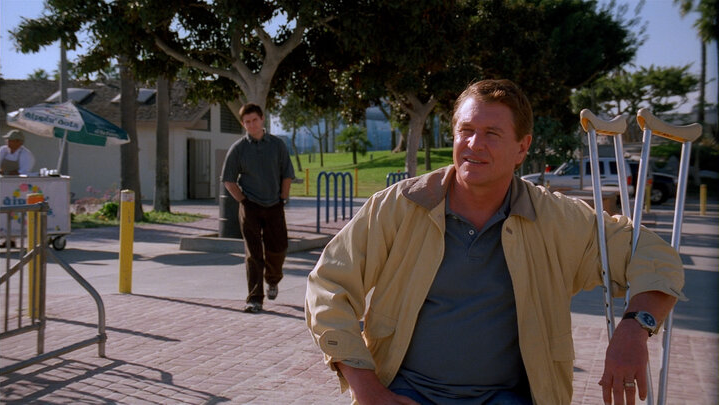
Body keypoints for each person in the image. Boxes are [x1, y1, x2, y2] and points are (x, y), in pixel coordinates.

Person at [305, 79, 684, 405]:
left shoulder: (557, 219)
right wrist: (368, 389)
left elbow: (653, 256)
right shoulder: (400, 206)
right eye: (466, 130)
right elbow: (329, 286)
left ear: (522, 147)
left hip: (509, 397)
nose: (474, 144)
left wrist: (635, 326)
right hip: (405, 391)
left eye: (492, 133)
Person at [221, 103, 295, 314]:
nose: (251, 125)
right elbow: (228, 179)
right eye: (247, 122)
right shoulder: (238, 149)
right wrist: (243, 201)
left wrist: (283, 197)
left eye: (254, 120)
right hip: (250, 207)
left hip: (274, 205)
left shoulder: (277, 145)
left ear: (262, 119)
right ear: (243, 124)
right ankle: (255, 299)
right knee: (253, 254)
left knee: (278, 248)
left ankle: (273, 280)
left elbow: (287, 174)